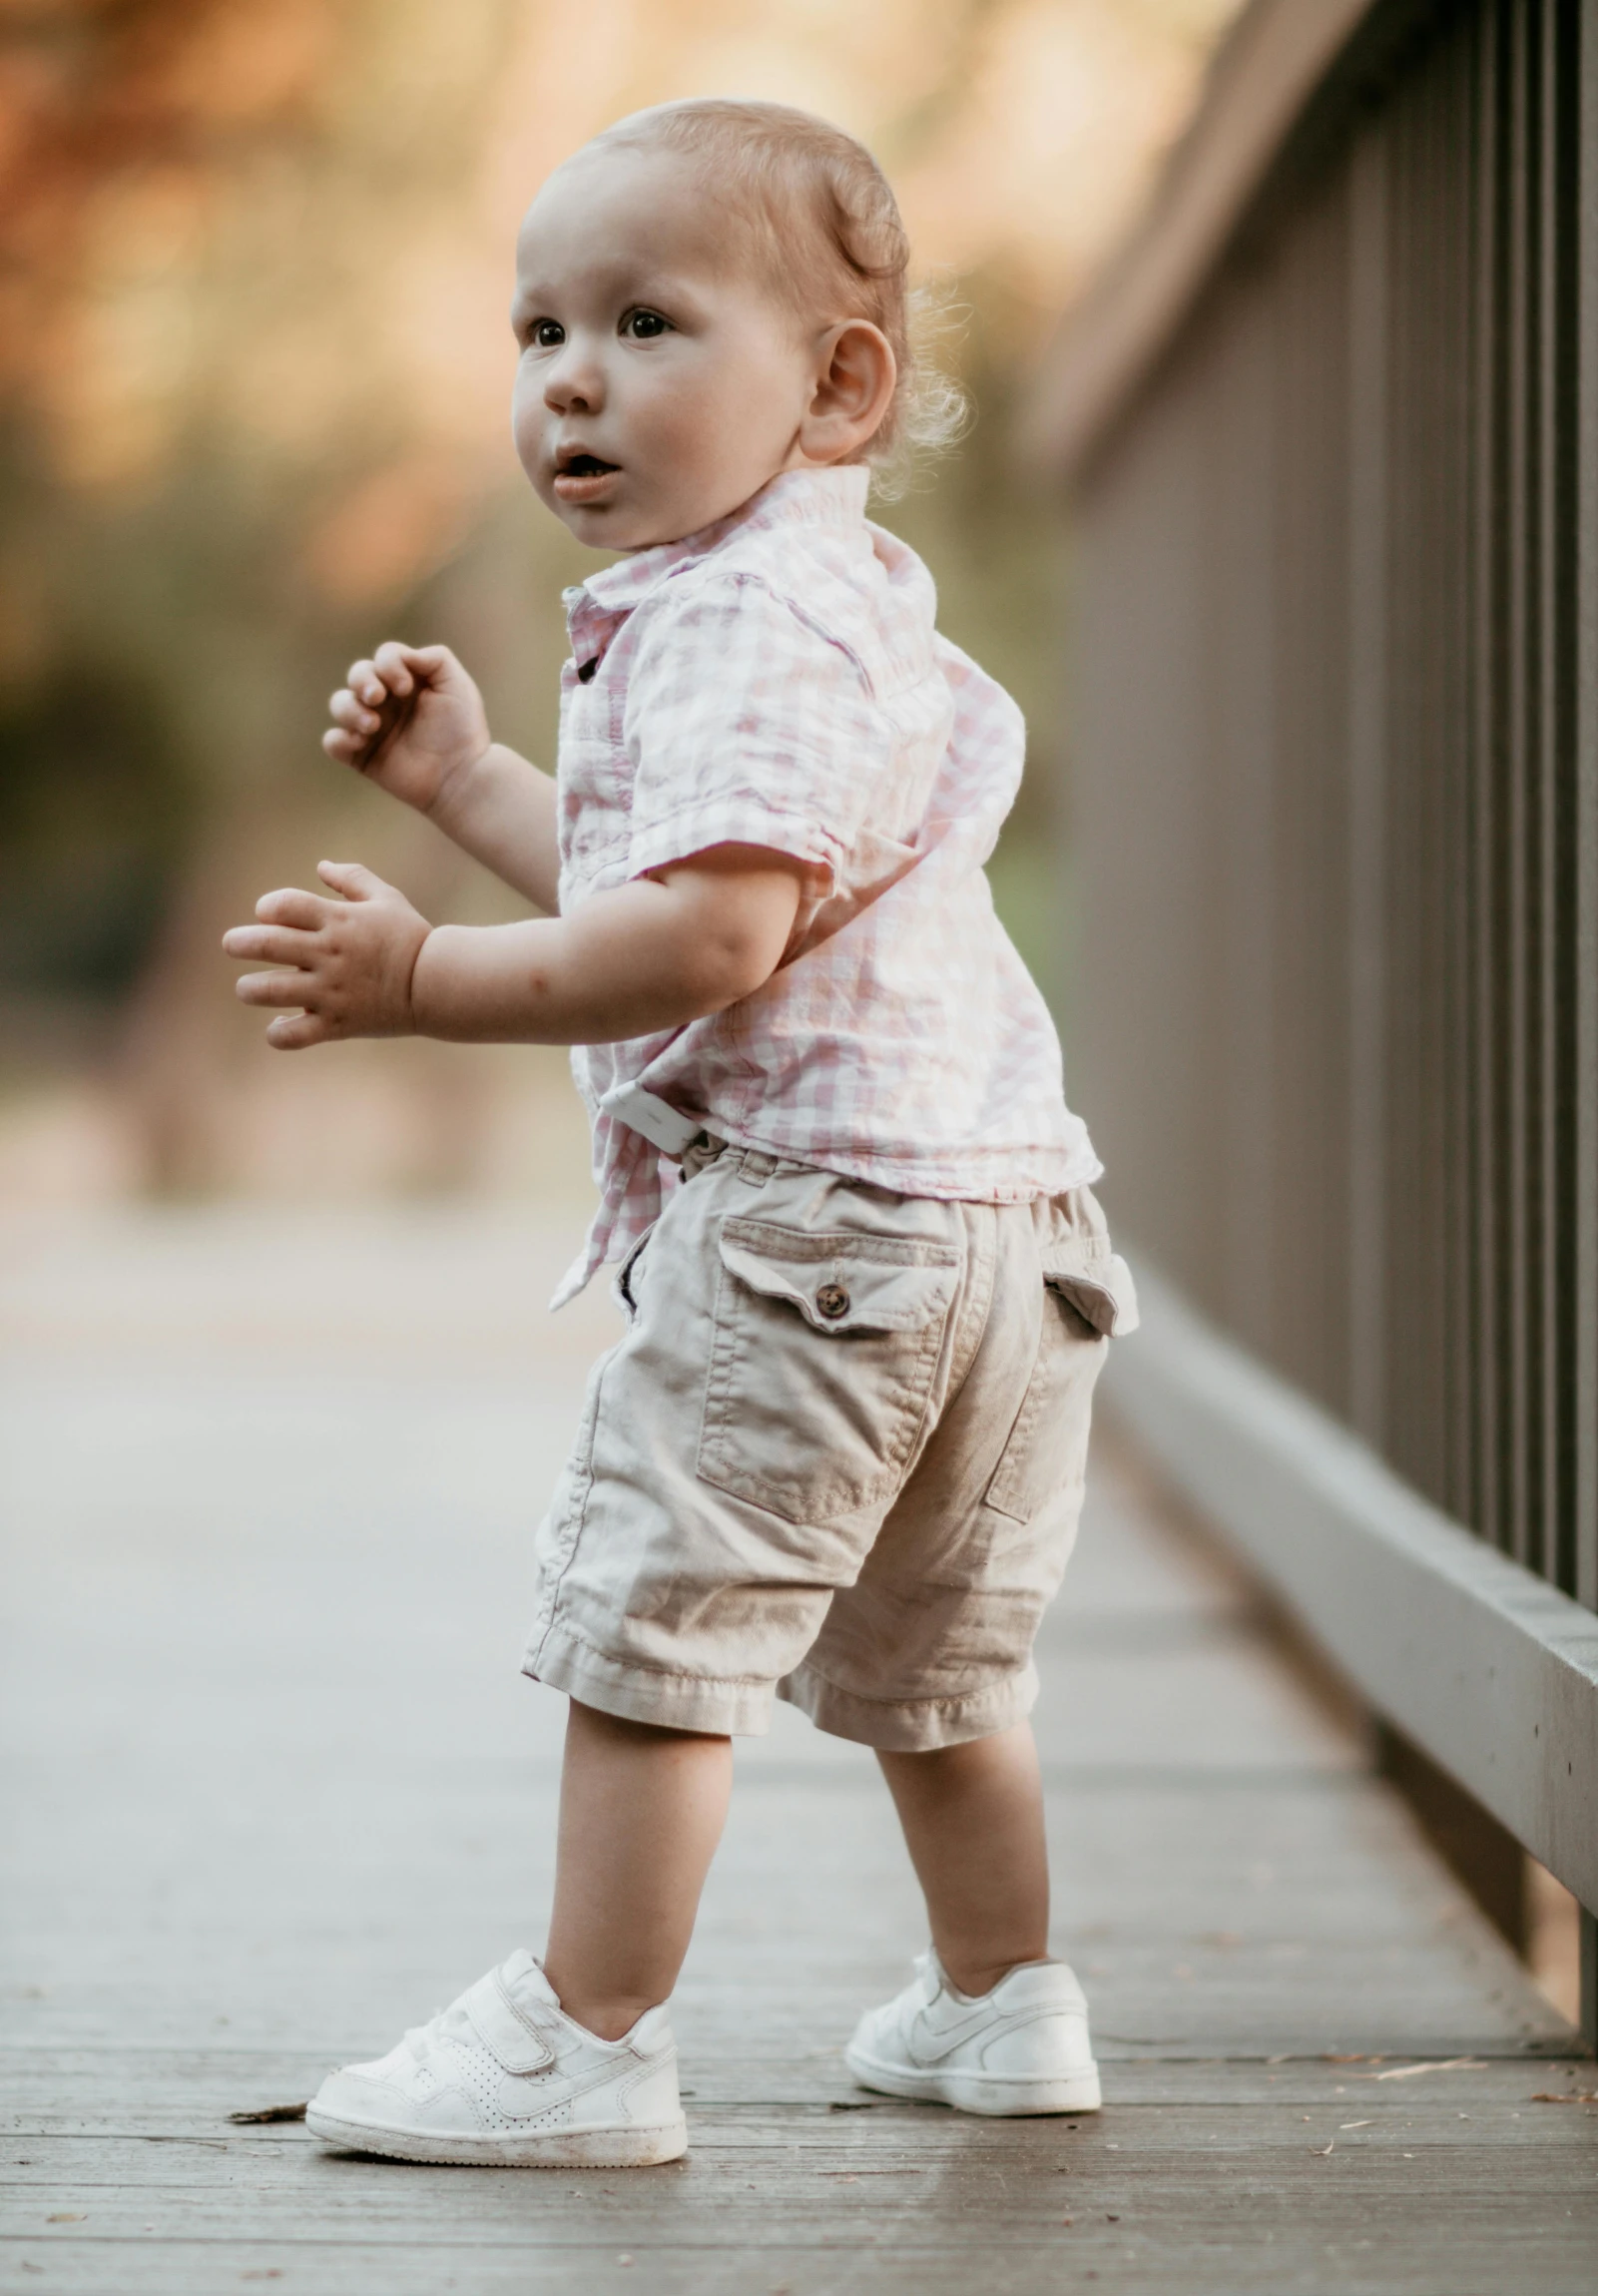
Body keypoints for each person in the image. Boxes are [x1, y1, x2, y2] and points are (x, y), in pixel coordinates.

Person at [223, 98, 1136, 2170]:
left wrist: (422, 978)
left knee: (653, 1636)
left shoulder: (740, 619)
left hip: (820, 1234)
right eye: (536, 329)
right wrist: (472, 790)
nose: (567, 377)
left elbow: (702, 942)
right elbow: (681, 889)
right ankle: (1000, 2003)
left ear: (837, 382)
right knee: (937, 1666)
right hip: (999, 1229)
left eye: (643, 321)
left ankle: (585, 2036)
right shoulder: (835, 599)